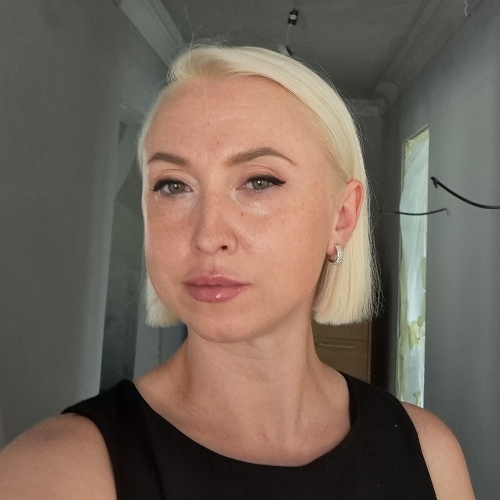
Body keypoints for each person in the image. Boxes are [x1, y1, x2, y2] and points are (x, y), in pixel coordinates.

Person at [0, 45, 475, 499]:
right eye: (173, 186)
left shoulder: (430, 456)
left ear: (342, 216)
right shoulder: (55, 474)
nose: (208, 235)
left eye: (259, 181)